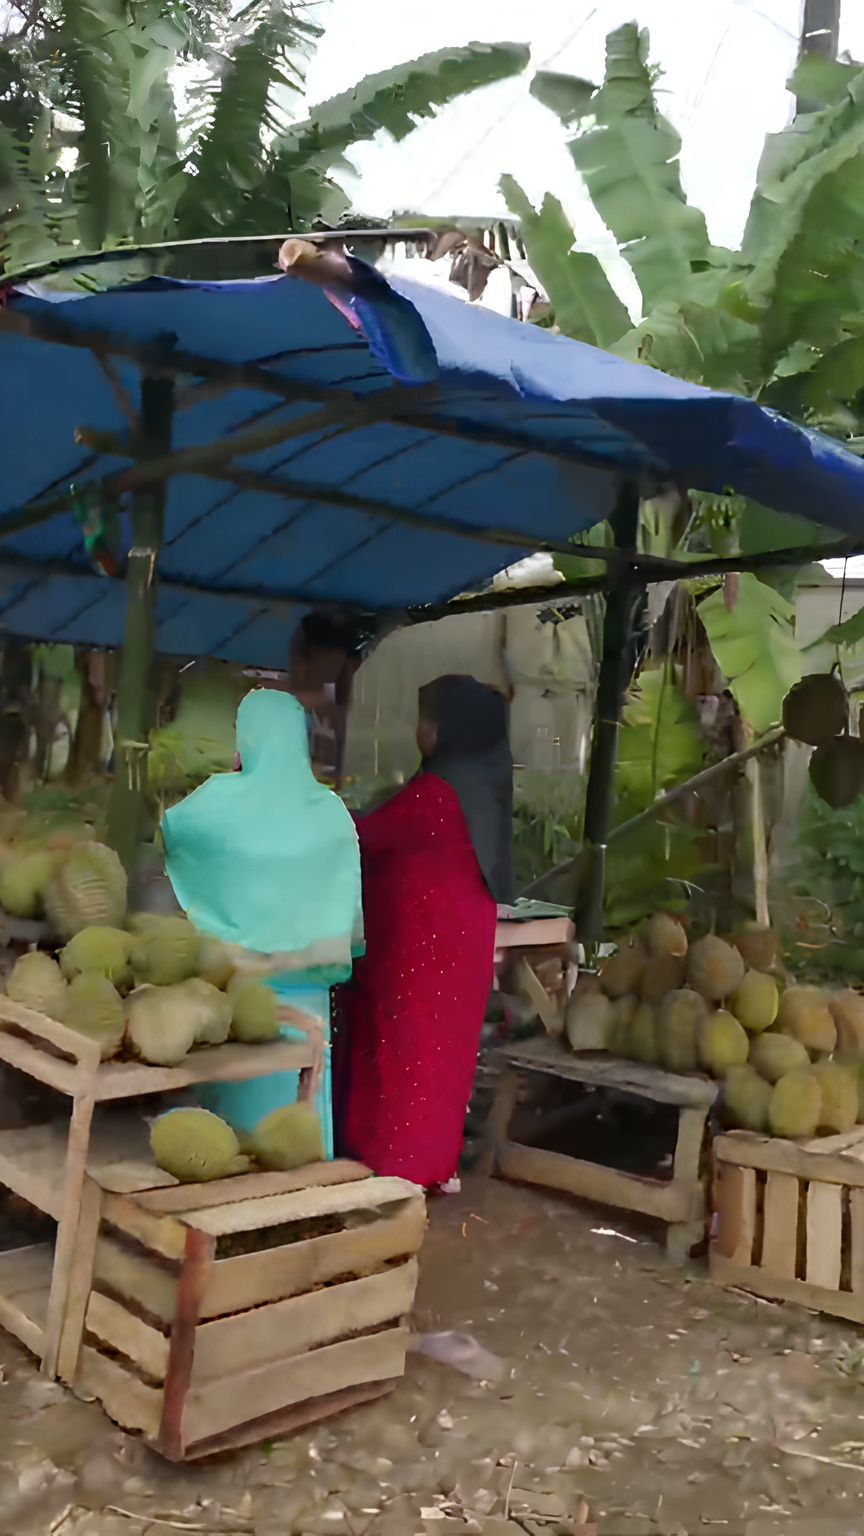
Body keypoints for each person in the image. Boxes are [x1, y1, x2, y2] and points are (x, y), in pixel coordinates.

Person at [161, 688, 363, 1152]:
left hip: (240, 992)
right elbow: (347, 901)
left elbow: (173, 833)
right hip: (310, 993)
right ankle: (302, 1203)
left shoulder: (219, 803)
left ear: (245, 739)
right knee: (302, 1107)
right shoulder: (331, 812)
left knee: (230, 1136)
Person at [333, 674, 514, 1190]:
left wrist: (315, 809)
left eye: (429, 720)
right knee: (439, 1059)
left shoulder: (439, 793)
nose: (421, 730)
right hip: (457, 947)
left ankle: (398, 1166)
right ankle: (433, 1163)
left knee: (407, 1054)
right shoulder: (481, 783)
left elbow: (367, 836)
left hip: (422, 951)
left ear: (451, 728)